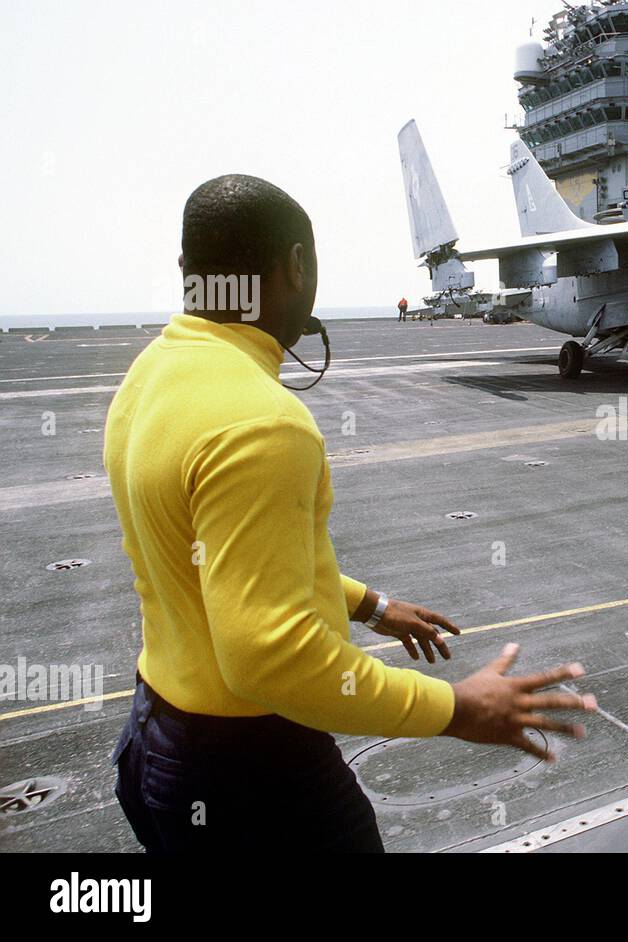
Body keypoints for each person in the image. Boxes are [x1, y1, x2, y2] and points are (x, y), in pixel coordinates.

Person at [104, 174, 595, 853]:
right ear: (298, 267)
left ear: (189, 272)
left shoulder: (148, 377)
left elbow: (212, 562)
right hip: (252, 774)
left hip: (156, 739)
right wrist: (456, 708)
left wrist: (369, 606)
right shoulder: (261, 421)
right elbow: (269, 659)